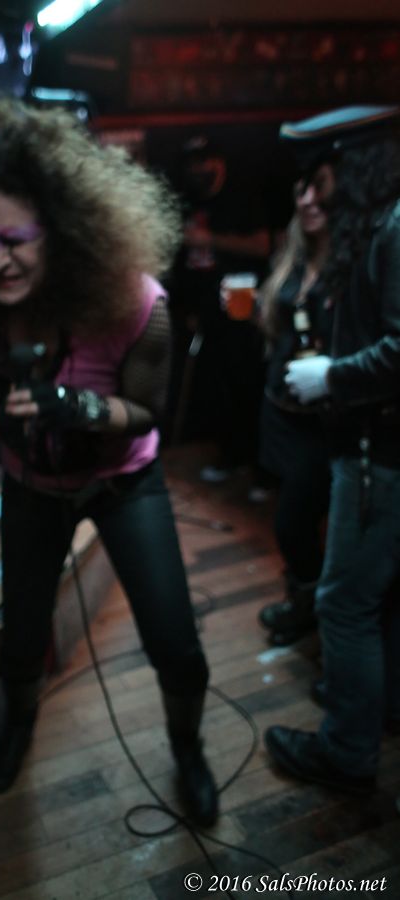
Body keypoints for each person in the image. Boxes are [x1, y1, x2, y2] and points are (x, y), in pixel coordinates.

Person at [0, 93, 219, 826]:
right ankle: (19, 723)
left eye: (14, 240)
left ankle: (189, 751)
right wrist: (3, 425)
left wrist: (81, 410)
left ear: (65, 234)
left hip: (124, 481)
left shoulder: (136, 304)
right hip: (32, 485)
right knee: (21, 639)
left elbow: (149, 413)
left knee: (177, 646)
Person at [265, 105, 400, 792]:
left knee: (344, 602)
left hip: (380, 455)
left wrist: (333, 377)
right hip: (377, 447)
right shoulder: (380, 225)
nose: (312, 196)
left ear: (359, 166)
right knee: (382, 598)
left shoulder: (394, 228)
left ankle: (346, 752)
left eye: (322, 178)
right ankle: (376, 706)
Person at [253, 176, 332, 646]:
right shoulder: (293, 255)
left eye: (316, 190)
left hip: (320, 419)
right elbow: (276, 321)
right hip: (280, 408)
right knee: (293, 514)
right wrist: (257, 311)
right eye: (299, 191)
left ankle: (317, 610)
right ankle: (305, 604)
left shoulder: (350, 261)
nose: (306, 201)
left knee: (294, 522)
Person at [169, 135, 270, 484]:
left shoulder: (240, 200)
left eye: (205, 161)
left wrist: (209, 239)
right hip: (205, 312)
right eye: (193, 163)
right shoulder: (187, 202)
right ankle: (230, 456)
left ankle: (260, 467)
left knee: (249, 385)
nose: (199, 169)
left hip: (244, 313)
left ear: (220, 162)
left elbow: (262, 245)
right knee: (217, 389)